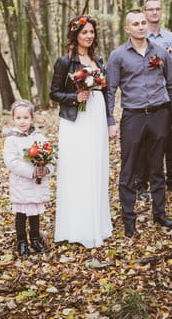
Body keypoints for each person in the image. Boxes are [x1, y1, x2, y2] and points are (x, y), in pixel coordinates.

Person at [107, 9, 172, 238]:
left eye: (143, 23)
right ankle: (129, 220)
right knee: (128, 169)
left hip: (160, 115)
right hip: (133, 116)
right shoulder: (118, 56)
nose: (141, 27)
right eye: (136, 24)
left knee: (156, 168)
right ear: (127, 29)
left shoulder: (160, 52)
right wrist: (110, 120)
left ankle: (159, 214)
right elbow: (110, 90)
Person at [49, 15, 113, 248]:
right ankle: (77, 227)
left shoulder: (98, 60)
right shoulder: (65, 61)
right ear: (75, 34)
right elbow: (54, 93)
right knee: (78, 169)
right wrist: (75, 98)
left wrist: (109, 120)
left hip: (95, 116)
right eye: (85, 32)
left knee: (96, 167)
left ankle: (97, 224)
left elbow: (106, 92)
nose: (89, 36)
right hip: (75, 121)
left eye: (92, 32)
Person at [135, 0, 172, 198]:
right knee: (145, 144)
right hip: (147, 100)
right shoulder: (139, 37)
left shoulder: (170, 38)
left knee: (170, 143)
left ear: (161, 12)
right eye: (150, 9)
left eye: (157, 9)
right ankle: (142, 184)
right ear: (145, 12)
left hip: (167, 99)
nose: (154, 13)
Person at [3, 100, 53, 257]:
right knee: (21, 214)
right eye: (18, 118)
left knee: (34, 214)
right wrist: (32, 172)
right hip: (21, 183)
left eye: (25, 117)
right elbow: (12, 162)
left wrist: (46, 169)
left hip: (37, 185)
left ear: (32, 118)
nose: (22, 121)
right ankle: (21, 241)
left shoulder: (39, 138)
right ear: (13, 119)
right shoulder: (11, 140)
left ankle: (36, 239)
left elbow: (50, 157)